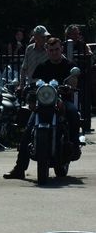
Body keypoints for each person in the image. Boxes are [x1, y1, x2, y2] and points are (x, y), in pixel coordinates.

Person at [4, 37, 81, 180]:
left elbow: (74, 82)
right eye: (51, 50)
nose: (54, 52)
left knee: (73, 113)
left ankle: (74, 145)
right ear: (47, 51)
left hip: (62, 100)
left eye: (56, 49)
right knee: (28, 130)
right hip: (43, 103)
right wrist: (29, 94)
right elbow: (33, 84)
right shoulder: (42, 66)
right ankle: (19, 168)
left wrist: (70, 85)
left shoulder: (69, 65)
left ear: (61, 49)